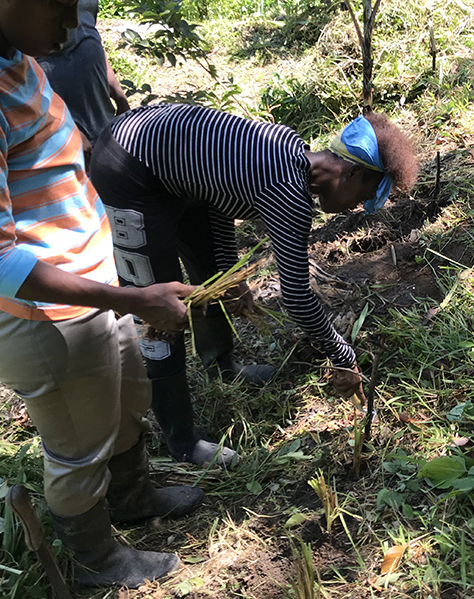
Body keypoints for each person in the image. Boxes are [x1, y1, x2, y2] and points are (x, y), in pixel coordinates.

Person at [0, 0, 203, 589]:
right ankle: (96, 560)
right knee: (78, 443)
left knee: (126, 397)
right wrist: (132, 297)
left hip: (90, 281)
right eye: (58, 4)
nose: (73, 26)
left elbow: (63, 152)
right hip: (45, 316)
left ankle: (134, 501)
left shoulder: (16, 57)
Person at [90, 103, 418, 469]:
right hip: (129, 164)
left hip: (180, 175)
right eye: (361, 199)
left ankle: (221, 364)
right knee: (157, 311)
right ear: (353, 173)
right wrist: (342, 356)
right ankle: (182, 439)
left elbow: (215, 193)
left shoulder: (288, 148)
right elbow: (296, 296)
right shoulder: (288, 189)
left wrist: (232, 272)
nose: (351, 208)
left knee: (216, 279)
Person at [37, 0, 130, 146]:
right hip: (58, 134)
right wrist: (63, 126)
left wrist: (119, 95)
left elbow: (89, 34)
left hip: (101, 119)